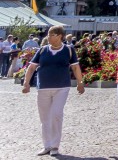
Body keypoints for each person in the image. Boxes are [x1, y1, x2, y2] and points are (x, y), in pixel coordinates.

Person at [21, 25, 85, 156]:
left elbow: (76, 68)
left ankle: (55, 145)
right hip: (43, 87)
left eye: (51, 35)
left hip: (62, 87)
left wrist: (80, 82)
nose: (48, 37)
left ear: (59, 36)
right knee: (45, 118)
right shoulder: (42, 50)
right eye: (48, 35)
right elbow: (32, 67)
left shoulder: (68, 50)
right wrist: (26, 83)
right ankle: (47, 145)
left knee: (56, 114)